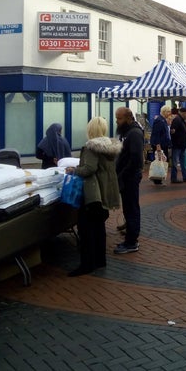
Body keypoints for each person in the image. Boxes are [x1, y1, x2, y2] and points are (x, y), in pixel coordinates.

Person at [65, 116, 121, 276]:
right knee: (98, 228)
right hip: (105, 192)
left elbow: (89, 169)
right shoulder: (109, 147)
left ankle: (87, 264)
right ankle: (99, 260)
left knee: (86, 229)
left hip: (92, 193)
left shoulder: (91, 147)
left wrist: (74, 170)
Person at [114, 107, 144, 254]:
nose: (116, 121)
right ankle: (131, 234)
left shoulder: (135, 133)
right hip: (126, 177)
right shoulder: (127, 133)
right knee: (128, 207)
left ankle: (132, 241)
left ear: (128, 118)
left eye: (119, 118)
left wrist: (123, 174)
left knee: (131, 208)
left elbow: (136, 159)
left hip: (130, 178)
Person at [149, 105, 172, 182]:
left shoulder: (162, 120)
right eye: (168, 111)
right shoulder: (159, 120)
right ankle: (157, 178)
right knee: (159, 161)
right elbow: (156, 133)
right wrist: (158, 145)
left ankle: (160, 177)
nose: (169, 113)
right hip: (159, 145)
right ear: (164, 111)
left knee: (162, 161)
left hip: (163, 144)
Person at [170, 107, 186, 184]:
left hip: (182, 145)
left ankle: (185, 176)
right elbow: (172, 131)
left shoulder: (181, 120)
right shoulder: (177, 120)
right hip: (177, 145)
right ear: (182, 113)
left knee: (183, 161)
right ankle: (174, 177)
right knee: (175, 162)